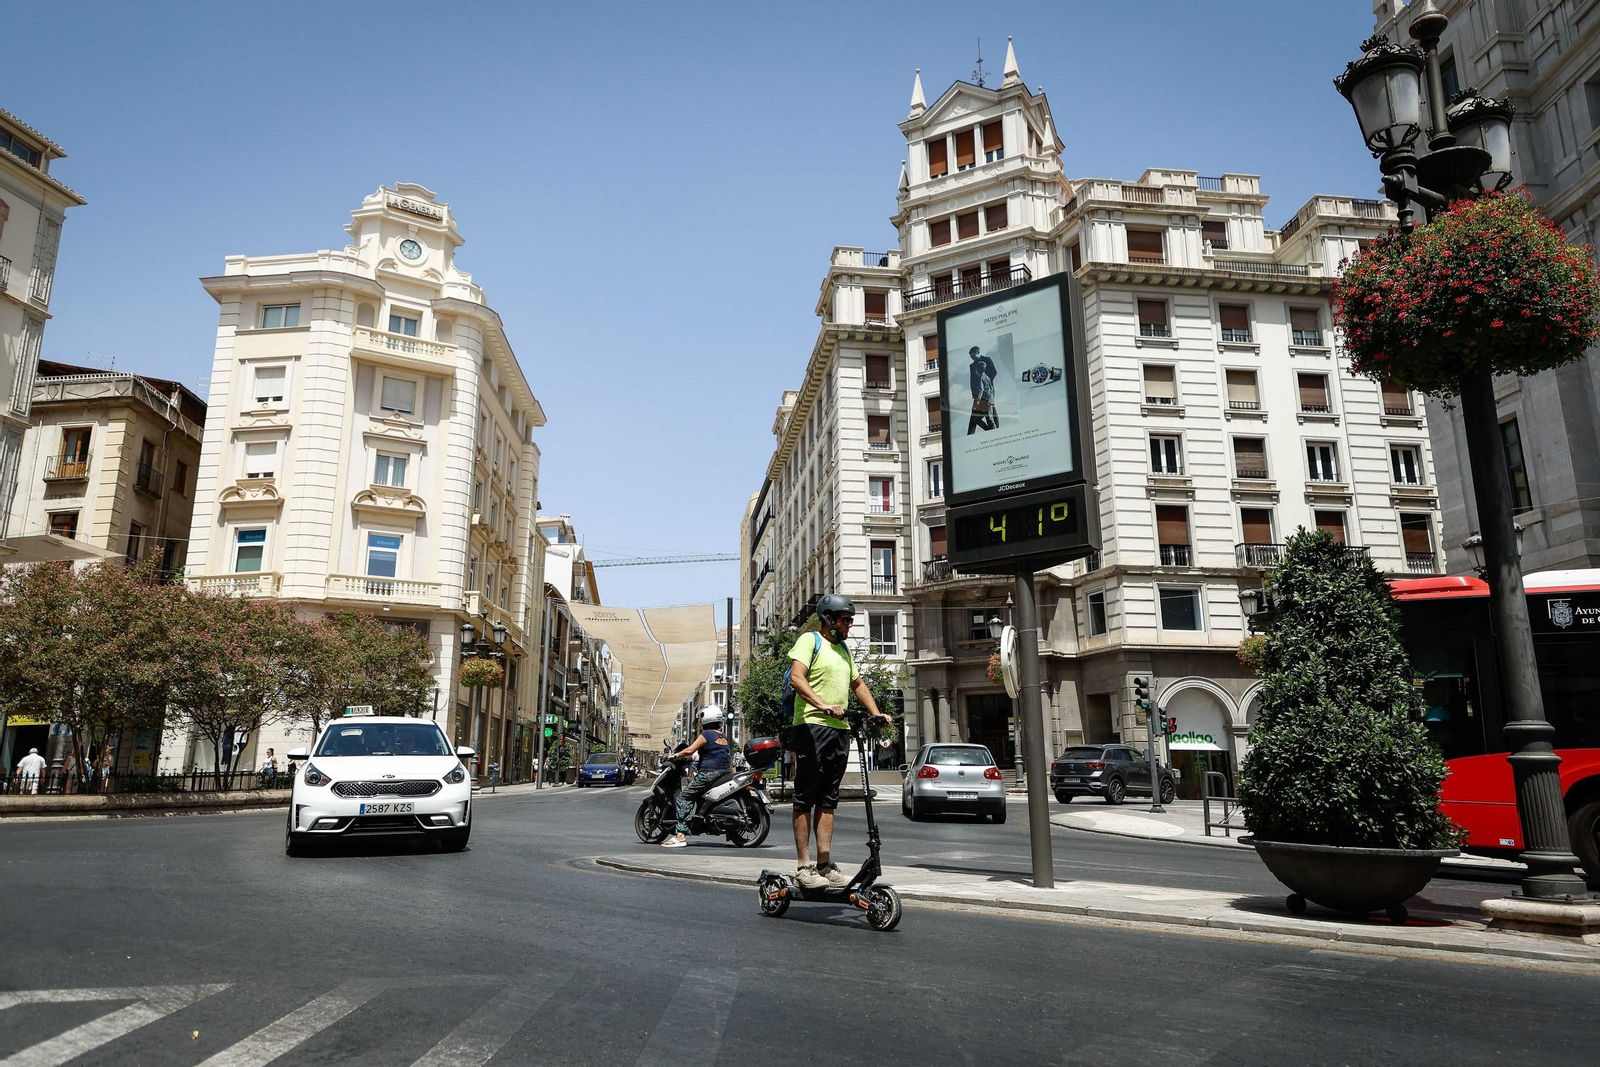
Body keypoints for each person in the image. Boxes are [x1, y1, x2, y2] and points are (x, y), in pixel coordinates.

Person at [787, 594, 891, 889]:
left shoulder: (844, 650)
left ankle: (824, 864)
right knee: (806, 797)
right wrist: (822, 705)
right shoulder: (810, 641)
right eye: (846, 620)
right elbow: (798, 678)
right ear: (829, 620)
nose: (849, 625)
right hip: (812, 725)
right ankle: (803, 867)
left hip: (839, 729)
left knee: (829, 800)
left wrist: (876, 713)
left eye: (851, 620)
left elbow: (857, 684)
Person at [662, 709, 731, 848]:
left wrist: (674, 756)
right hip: (724, 772)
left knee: (684, 797)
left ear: (706, 720)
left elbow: (689, 750)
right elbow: (712, 753)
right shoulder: (723, 736)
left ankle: (680, 835)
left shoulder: (706, 734)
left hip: (709, 773)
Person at [967, 345, 999, 435]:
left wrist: (986, 385)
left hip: (987, 393)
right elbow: (972, 380)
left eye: (973, 356)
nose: (972, 358)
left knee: (989, 414)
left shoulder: (987, 360)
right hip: (978, 394)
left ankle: (996, 432)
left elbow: (994, 372)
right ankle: (994, 431)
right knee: (982, 415)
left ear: (978, 353)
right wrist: (974, 394)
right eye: (971, 357)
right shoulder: (972, 365)